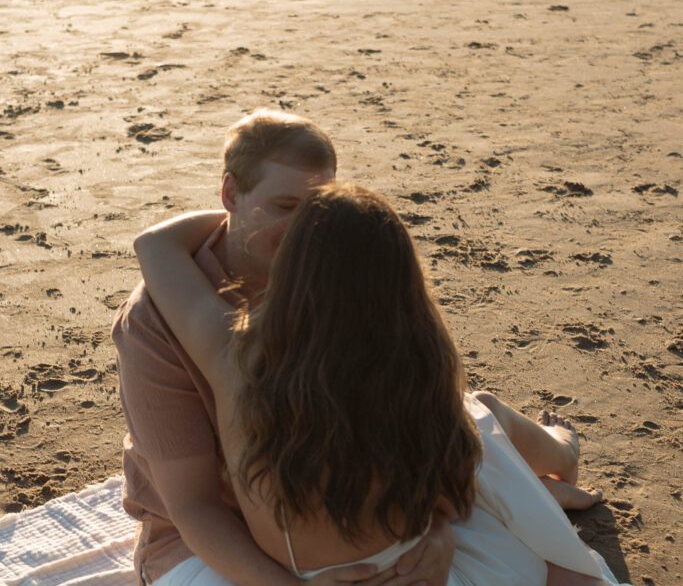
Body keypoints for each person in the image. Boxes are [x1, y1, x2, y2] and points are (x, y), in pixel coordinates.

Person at [133, 182, 627, 586]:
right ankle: (559, 456)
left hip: (297, 574)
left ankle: (556, 459)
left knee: (475, 419)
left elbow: (153, 245)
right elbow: (454, 495)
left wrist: (247, 211)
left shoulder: (232, 359)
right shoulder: (420, 376)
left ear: (293, 273)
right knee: (477, 418)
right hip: (411, 573)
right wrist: (435, 529)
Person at [113, 109, 459, 586]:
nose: (304, 230)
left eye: (318, 209)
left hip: (332, 520)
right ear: (231, 193)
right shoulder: (155, 320)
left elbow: (401, 425)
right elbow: (193, 506)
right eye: (284, 206)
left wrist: (435, 532)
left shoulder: (333, 283)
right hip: (208, 544)